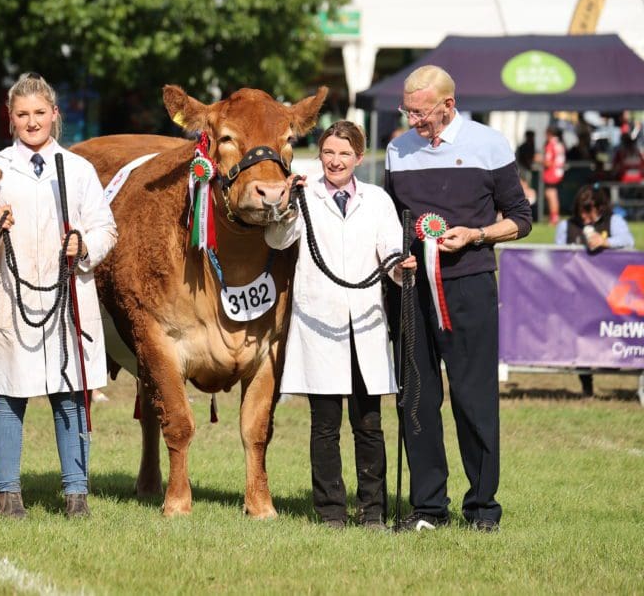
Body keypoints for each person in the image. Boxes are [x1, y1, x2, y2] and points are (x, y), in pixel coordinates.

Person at [385, 65, 532, 533]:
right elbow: (391, 220)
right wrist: (395, 259)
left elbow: (521, 219)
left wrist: (477, 234)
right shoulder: (396, 150)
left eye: (421, 113)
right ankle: (428, 508)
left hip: (469, 286)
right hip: (411, 290)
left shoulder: (490, 144)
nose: (413, 121)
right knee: (416, 399)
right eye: (407, 111)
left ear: (448, 105)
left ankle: (482, 509)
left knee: (474, 399)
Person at [0, 73, 117, 519]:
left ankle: (76, 495)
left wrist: (84, 244)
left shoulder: (78, 170)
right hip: (11, 299)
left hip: (67, 297)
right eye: (22, 114)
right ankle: (8, 496)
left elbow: (106, 228)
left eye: (39, 113)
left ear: (54, 114)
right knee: (7, 392)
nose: (31, 122)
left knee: (70, 393)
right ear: (10, 118)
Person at [266, 121, 415, 530]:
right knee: (325, 425)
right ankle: (330, 510)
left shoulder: (377, 200)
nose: (335, 161)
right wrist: (286, 203)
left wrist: (401, 266)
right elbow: (278, 240)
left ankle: (372, 509)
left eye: (345, 154)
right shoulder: (305, 196)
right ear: (320, 154)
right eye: (329, 152)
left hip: (364, 322)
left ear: (359, 158)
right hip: (319, 322)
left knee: (368, 424)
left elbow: (390, 249)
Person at [556, 184, 635, 398]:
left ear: (600, 208)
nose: (584, 215)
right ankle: (586, 384)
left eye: (589, 210)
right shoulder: (566, 226)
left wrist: (606, 242)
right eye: (581, 210)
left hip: (609, 294)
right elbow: (557, 254)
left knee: (607, 335)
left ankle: (611, 364)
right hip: (578, 294)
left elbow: (629, 241)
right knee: (580, 339)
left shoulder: (614, 222)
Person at [542, 126, 566, 226]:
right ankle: (555, 217)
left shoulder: (551, 144)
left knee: (551, 195)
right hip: (559, 172)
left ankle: (554, 218)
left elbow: (548, 162)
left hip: (551, 173)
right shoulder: (560, 144)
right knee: (554, 194)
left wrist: (539, 159)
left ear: (549, 133)